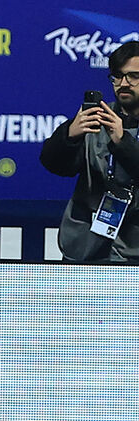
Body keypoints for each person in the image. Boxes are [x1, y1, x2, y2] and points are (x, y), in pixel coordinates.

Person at [41, 40, 139, 261]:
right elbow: (55, 165)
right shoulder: (95, 118)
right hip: (86, 243)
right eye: (118, 76)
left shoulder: (115, 129)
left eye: (134, 76)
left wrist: (122, 142)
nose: (124, 83)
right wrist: (69, 136)